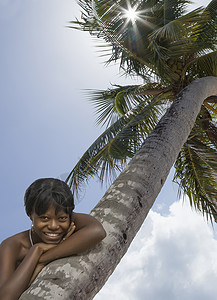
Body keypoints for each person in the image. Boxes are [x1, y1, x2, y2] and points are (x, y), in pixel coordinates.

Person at [0, 178, 106, 300]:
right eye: (44, 218)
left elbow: (98, 231)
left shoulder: (71, 219)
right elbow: (5, 297)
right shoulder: (12, 245)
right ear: (30, 215)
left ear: (70, 215)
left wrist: (43, 259)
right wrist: (36, 250)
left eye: (61, 218)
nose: (54, 226)